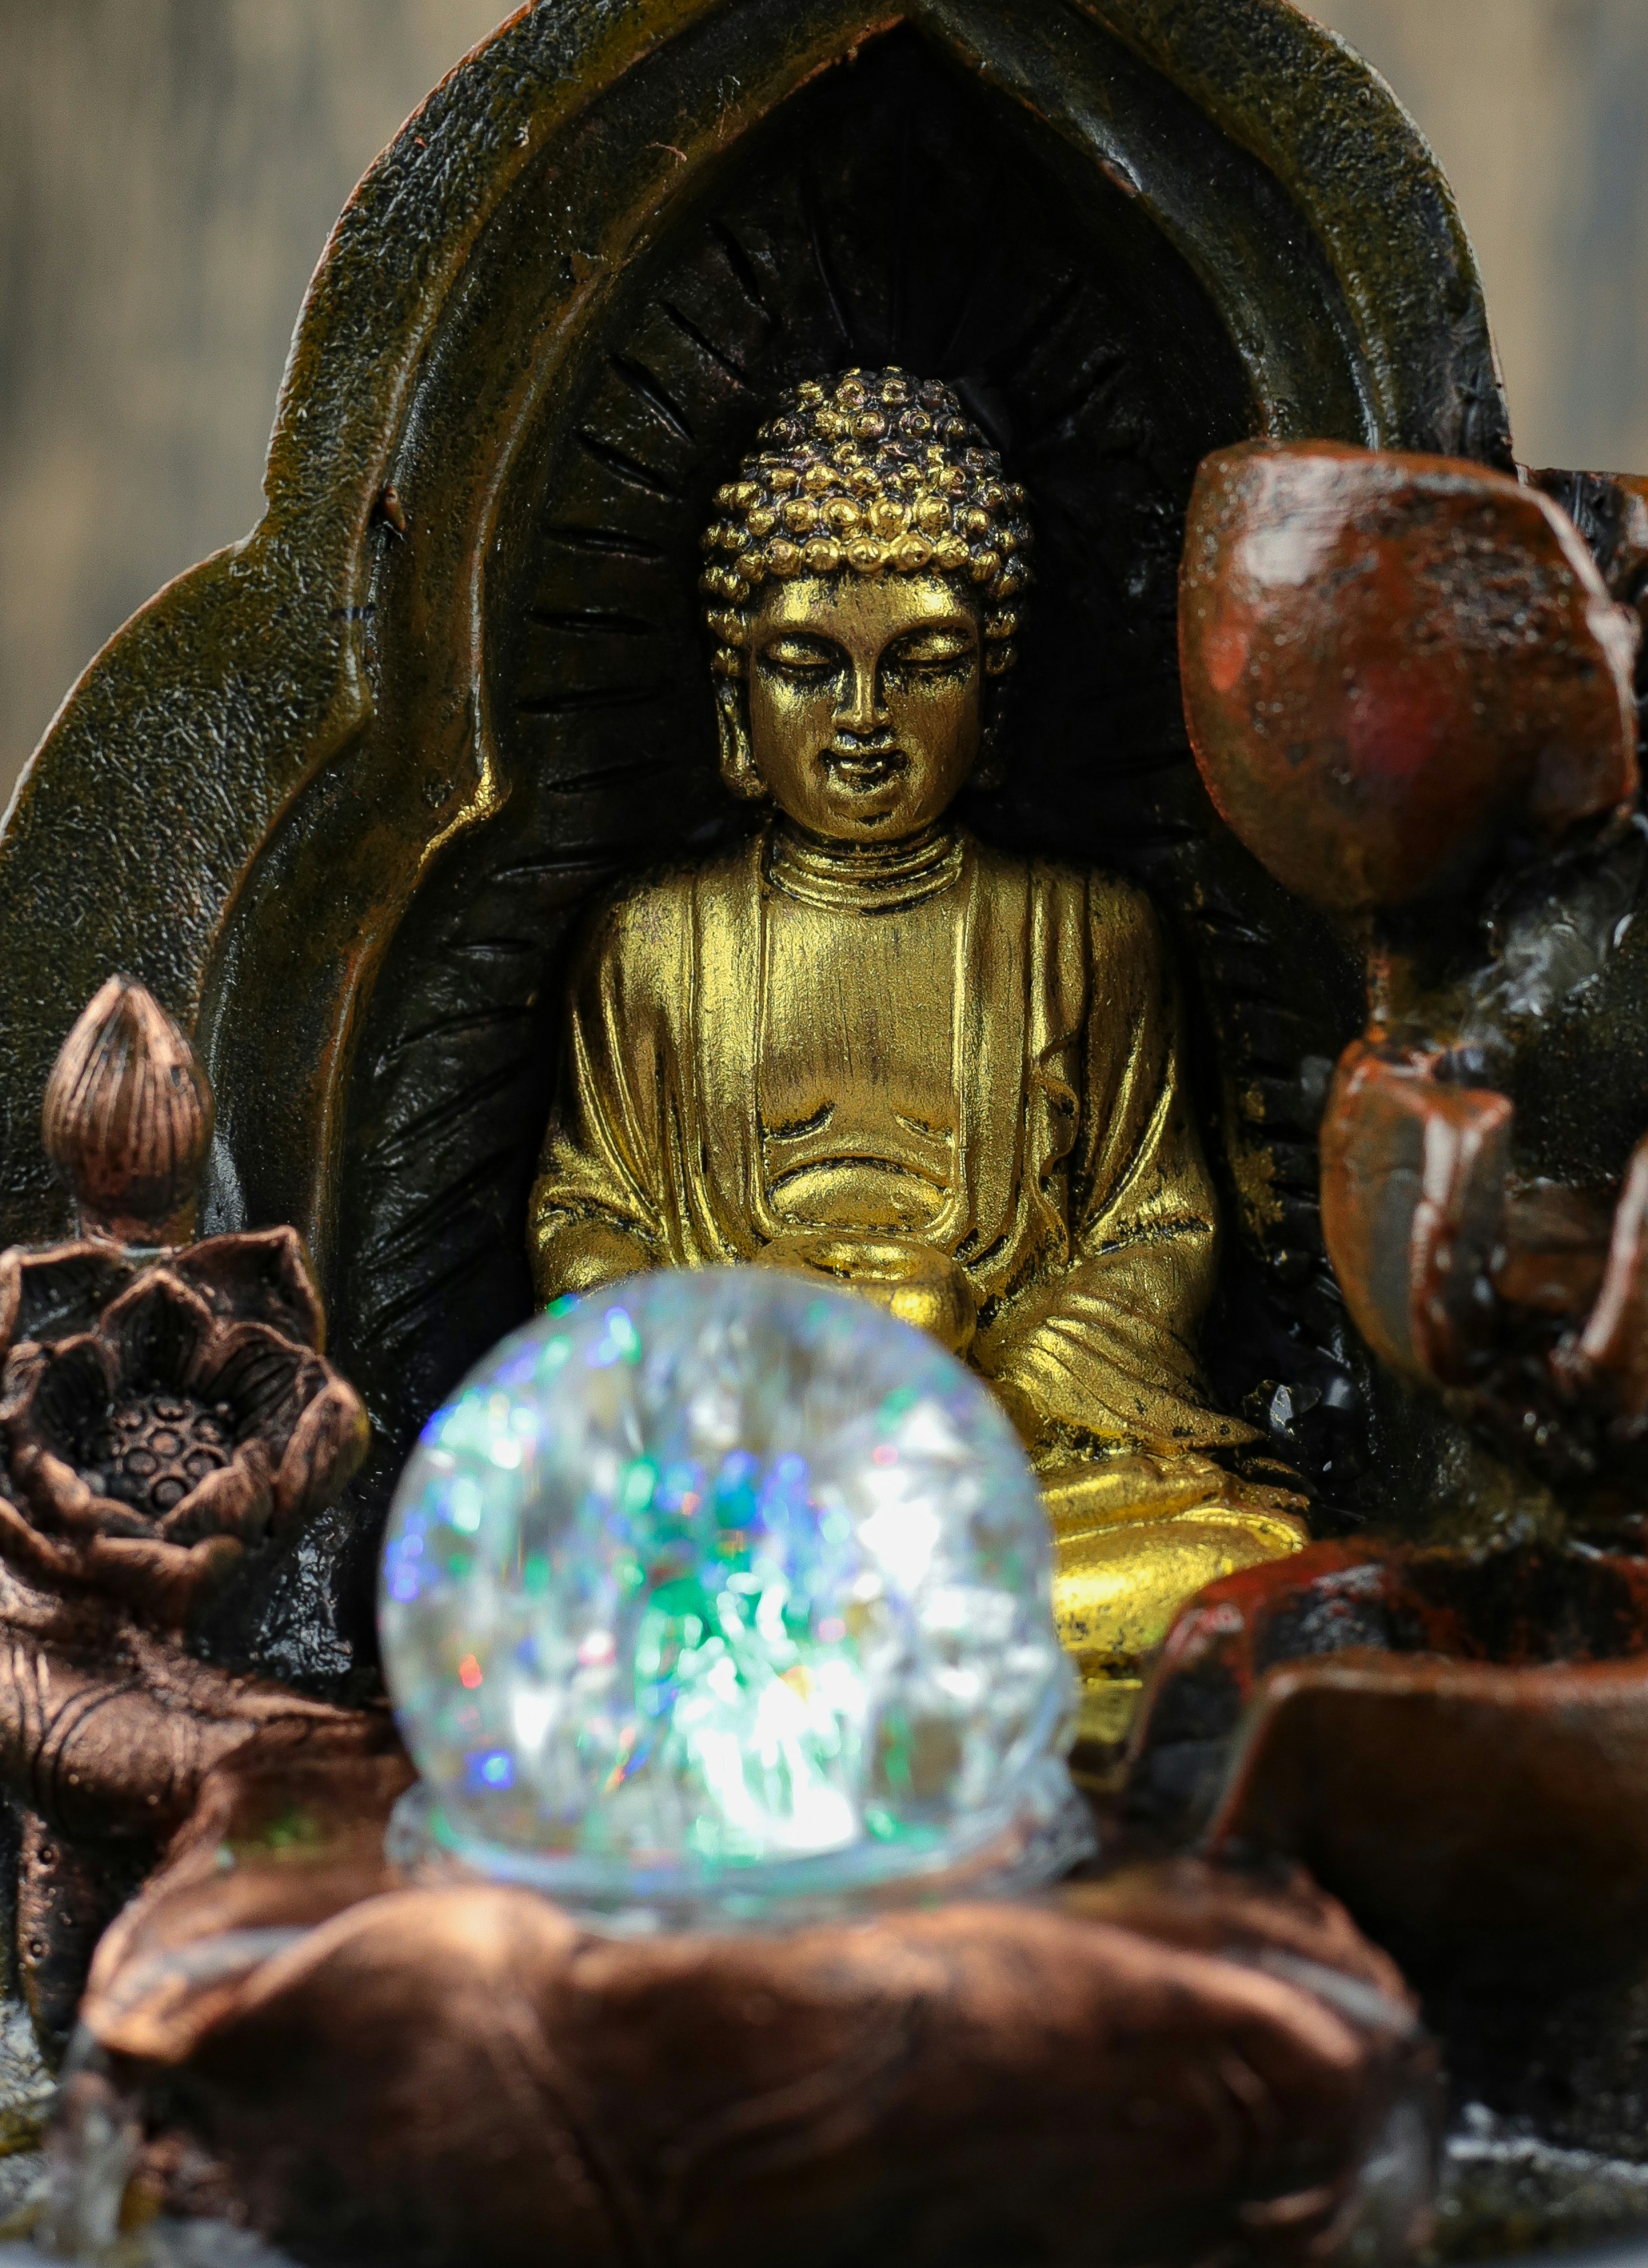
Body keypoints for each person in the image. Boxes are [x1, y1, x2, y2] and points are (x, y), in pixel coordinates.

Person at [530, 367, 1302, 1748]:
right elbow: (589, 1227)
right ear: (733, 697)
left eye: (924, 663)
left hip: (1005, 1474)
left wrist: (979, 1385)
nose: (865, 719)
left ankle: (801, 1703)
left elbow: (1161, 1231)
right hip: (742, 1481)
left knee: (1229, 1569)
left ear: (992, 700)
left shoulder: (1086, 933)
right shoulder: (653, 945)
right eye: (806, 665)